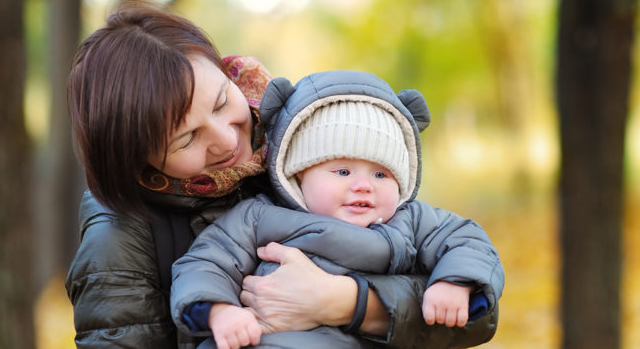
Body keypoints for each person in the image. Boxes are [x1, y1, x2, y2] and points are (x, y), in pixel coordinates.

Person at [65, 0, 500, 348]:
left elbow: (474, 320)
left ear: (227, 72)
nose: (226, 139)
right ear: (138, 157)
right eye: (186, 139)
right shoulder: (120, 231)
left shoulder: (308, 141)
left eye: (221, 102)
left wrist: (345, 303)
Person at [170, 71, 505, 349]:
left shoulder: (410, 220)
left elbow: (467, 240)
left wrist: (454, 283)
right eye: (343, 172)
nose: (364, 185)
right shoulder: (257, 216)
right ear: (297, 174)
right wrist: (220, 311)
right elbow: (206, 262)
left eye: (381, 174)